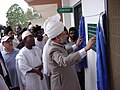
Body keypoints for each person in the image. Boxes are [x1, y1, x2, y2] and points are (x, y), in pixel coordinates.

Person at [43, 14, 96, 90]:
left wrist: (76, 45)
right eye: (64, 34)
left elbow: (64, 52)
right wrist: (85, 49)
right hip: (63, 84)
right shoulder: (52, 50)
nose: (66, 36)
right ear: (58, 37)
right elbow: (65, 61)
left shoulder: (56, 45)